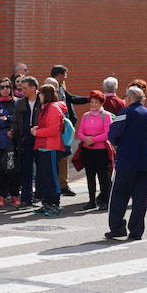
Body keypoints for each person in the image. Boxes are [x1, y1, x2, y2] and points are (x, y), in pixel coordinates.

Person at [106, 87, 147, 240]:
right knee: (140, 199)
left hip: (126, 161)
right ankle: (136, 231)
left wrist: (116, 143)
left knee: (118, 195)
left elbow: (113, 133)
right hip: (144, 161)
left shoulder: (125, 112)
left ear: (128, 99)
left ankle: (117, 228)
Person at [51, 65, 88, 196]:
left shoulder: (61, 86)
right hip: (58, 129)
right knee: (59, 157)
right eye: (65, 74)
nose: (66, 77)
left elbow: (70, 98)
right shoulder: (53, 89)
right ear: (59, 75)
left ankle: (62, 184)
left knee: (63, 157)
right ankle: (60, 185)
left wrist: (88, 99)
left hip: (64, 128)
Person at [32, 84, 66, 217]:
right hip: (43, 146)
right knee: (44, 177)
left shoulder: (53, 108)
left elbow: (53, 130)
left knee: (52, 177)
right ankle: (46, 203)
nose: (39, 96)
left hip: (51, 147)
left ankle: (55, 204)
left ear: (46, 94)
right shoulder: (45, 108)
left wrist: (37, 132)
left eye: (40, 93)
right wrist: (37, 129)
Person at [76, 90, 113, 211]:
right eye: (91, 102)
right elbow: (80, 132)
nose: (93, 105)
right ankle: (91, 201)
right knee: (89, 176)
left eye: (96, 102)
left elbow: (108, 133)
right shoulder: (86, 115)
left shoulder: (106, 115)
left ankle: (105, 201)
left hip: (101, 150)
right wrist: (85, 139)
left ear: (101, 103)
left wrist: (94, 139)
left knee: (103, 177)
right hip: (87, 150)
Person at [12, 77, 41, 207]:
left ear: (34, 88)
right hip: (25, 139)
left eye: (25, 88)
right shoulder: (19, 103)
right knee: (26, 170)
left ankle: (41, 196)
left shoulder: (43, 101)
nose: (22, 90)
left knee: (42, 169)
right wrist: (13, 131)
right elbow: (15, 121)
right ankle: (26, 198)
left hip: (41, 138)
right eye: (21, 88)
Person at [0, 78, 19, 207]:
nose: (5, 89)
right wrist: (9, 121)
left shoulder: (17, 103)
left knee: (14, 170)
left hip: (14, 142)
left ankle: (14, 195)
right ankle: (1, 196)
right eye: (2, 87)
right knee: (0, 170)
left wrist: (7, 118)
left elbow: (18, 120)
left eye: (7, 86)